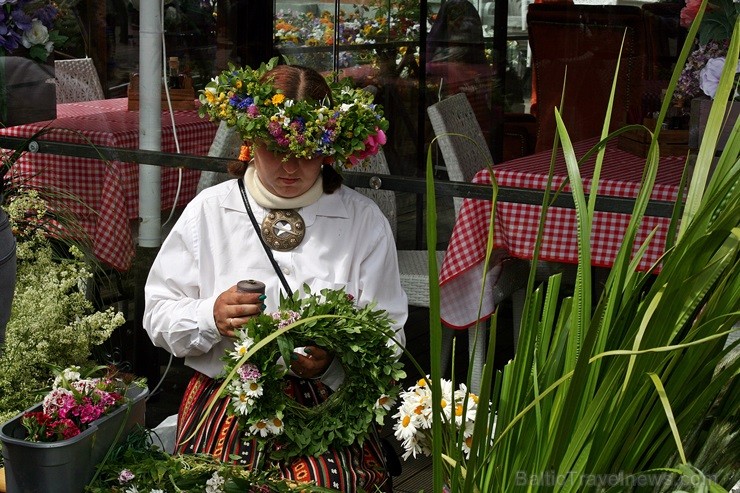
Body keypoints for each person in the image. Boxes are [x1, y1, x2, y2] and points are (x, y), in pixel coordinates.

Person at [143, 61, 408, 493]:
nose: (290, 166)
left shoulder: (362, 221)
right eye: (275, 147)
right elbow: (157, 314)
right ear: (250, 140)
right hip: (227, 401)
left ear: (329, 147)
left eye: (305, 151)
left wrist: (335, 358)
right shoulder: (210, 212)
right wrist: (211, 315)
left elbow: (390, 331)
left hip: (326, 407)